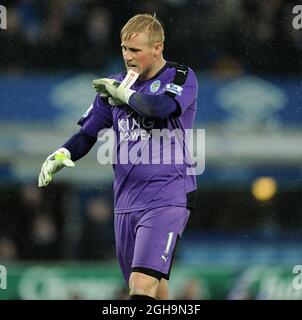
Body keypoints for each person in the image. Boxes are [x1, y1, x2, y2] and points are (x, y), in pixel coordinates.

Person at [38, 13, 198, 300]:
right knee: (154, 288)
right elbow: (88, 134)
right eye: (124, 49)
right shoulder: (115, 83)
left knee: (140, 285)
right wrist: (61, 154)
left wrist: (124, 95)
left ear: (157, 48)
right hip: (125, 202)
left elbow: (159, 108)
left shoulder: (180, 76)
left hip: (166, 197)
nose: (127, 56)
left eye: (135, 50)